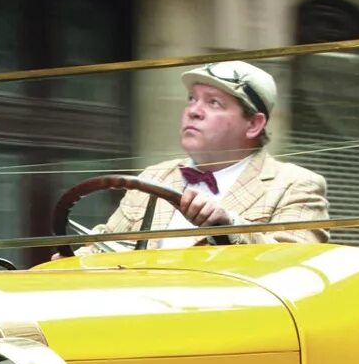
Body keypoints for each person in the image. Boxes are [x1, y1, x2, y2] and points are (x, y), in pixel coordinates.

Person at [75, 60, 329, 253]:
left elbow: (295, 265)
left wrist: (229, 225)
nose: (194, 111)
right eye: (192, 99)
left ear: (253, 124)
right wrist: (73, 261)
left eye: (213, 102)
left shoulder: (295, 185)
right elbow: (107, 245)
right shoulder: (155, 176)